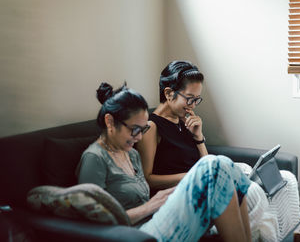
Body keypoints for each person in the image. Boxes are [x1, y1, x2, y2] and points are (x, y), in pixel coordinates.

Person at [76, 82, 252, 242]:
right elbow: (91, 223)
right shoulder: (95, 158)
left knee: (225, 164)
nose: (139, 138)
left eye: (143, 129)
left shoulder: (131, 155)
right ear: (110, 121)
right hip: (133, 233)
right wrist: (149, 207)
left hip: (154, 220)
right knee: (212, 166)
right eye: (135, 129)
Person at [136, 61, 280, 241]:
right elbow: (147, 179)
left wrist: (198, 137)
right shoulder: (151, 127)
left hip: (203, 184)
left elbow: (206, 162)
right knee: (254, 192)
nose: (193, 105)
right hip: (177, 196)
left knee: (285, 179)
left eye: (196, 99)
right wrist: (193, 176)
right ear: (168, 93)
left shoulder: (185, 122)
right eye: (189, 98)